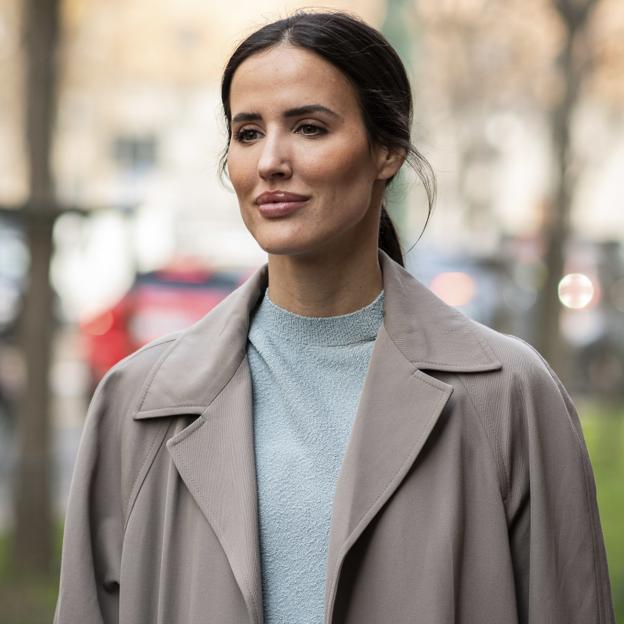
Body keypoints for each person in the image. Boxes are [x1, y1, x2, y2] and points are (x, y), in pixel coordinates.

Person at [54, 10, 615, 624]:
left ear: (388, 150)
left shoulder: (509, 396)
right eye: (247, 133)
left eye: (309, 128)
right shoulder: (136, 405)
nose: (270, 160)